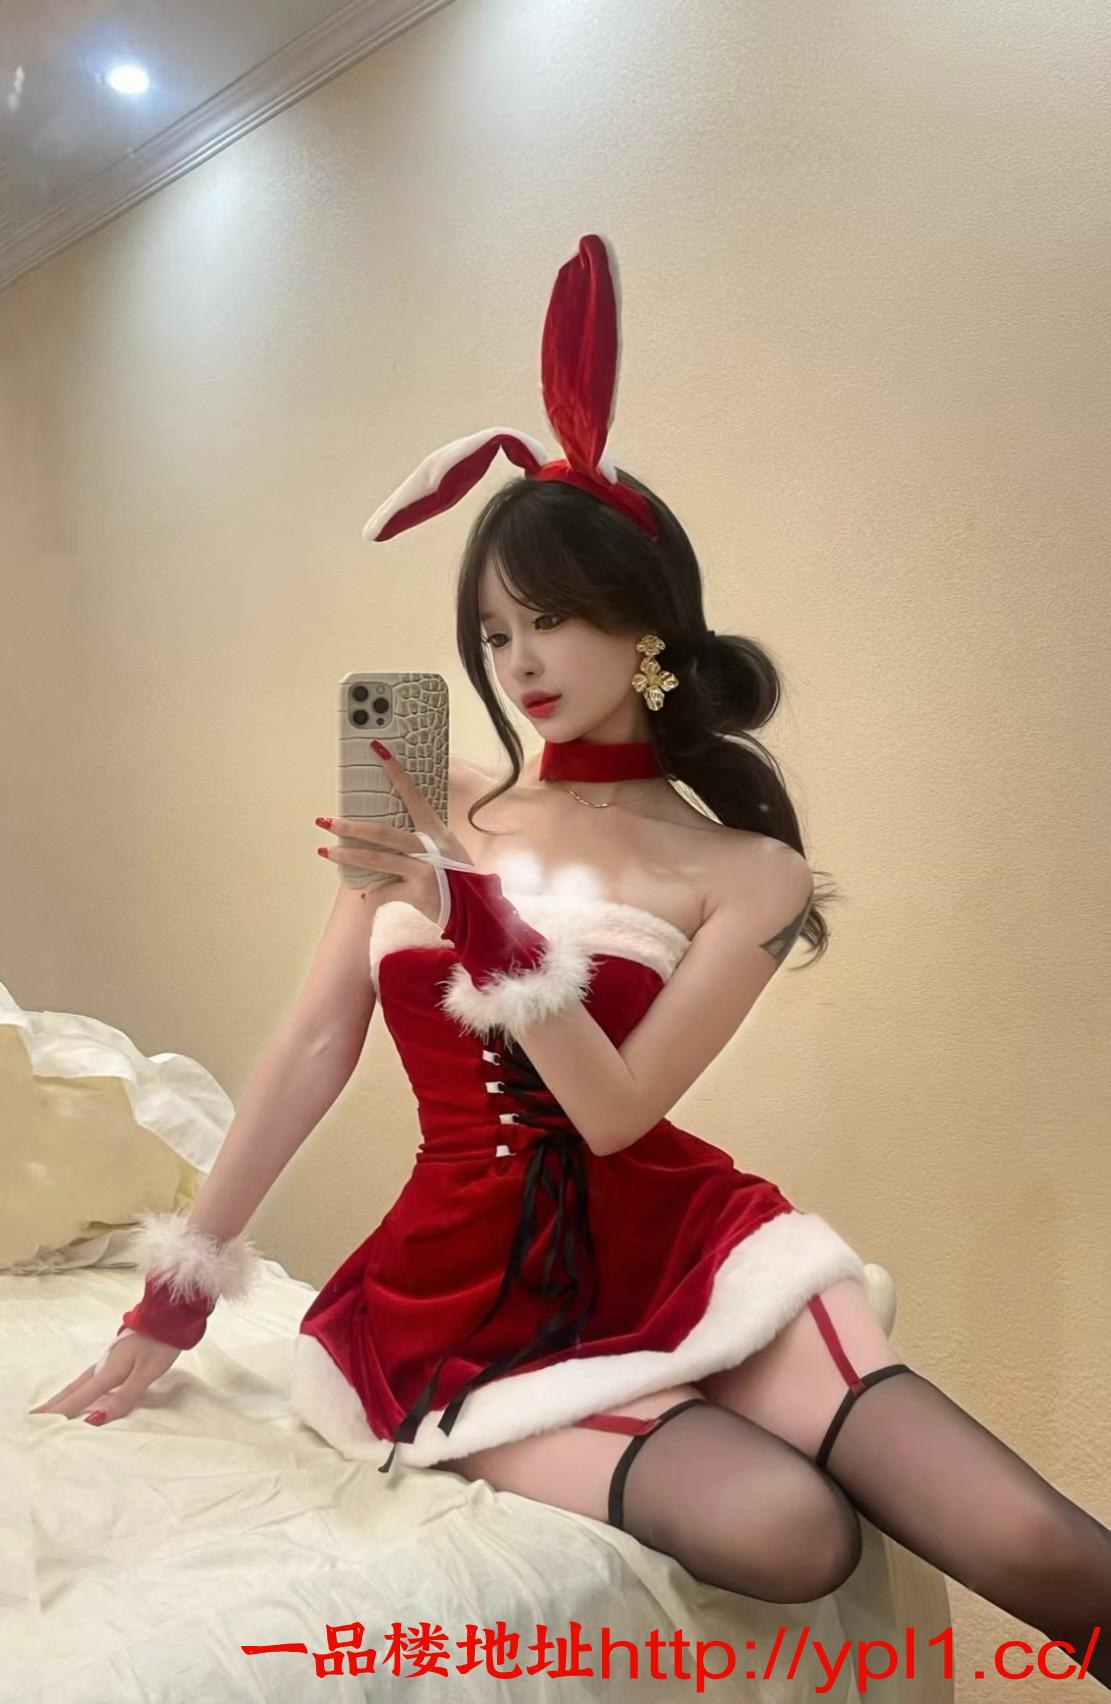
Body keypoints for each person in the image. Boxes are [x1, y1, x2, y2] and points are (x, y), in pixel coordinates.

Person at [32, 235, 1111, 1677]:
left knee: (1037, 1542)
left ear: (645, 623)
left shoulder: (746, 870)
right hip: (462, 1294)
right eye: (494, 631)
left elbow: (613, 1112)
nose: (519, 659)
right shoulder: (443, 791)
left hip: (684, 1243)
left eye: (550, 619)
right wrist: (175, 1295)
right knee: (797, 1533)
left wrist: (471, 901)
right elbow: (314, 1045)